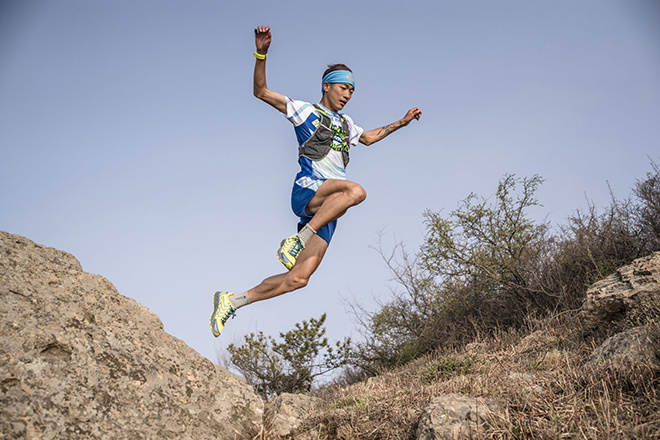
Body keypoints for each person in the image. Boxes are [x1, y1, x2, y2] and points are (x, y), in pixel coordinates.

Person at [210, 25, 422, 337]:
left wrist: (402, 123)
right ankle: (297, 239)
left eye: (352, 91)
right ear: (327, 87)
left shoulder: (347, 124)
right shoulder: (305, 111)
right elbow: (261, 91)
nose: (348, 95)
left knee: (298, 279)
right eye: (343, 88)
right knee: (356, 191)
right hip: (309, 189)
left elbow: (370, 138)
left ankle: (232, 301)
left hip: (329, 207)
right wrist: (262, 53)